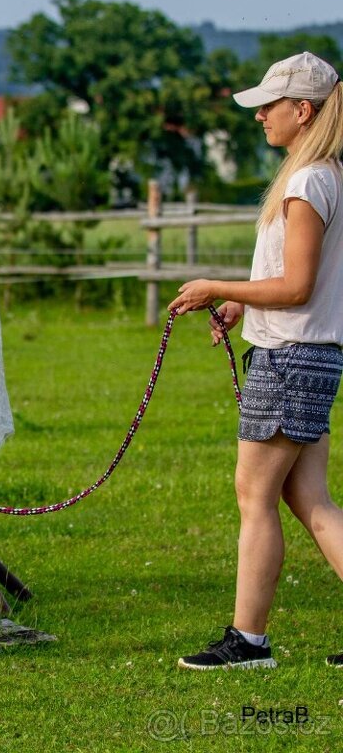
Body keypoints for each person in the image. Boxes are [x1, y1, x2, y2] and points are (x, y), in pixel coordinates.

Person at [168, 51, 343, 670]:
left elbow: (296, 287)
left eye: (269, 105)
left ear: (303, 110)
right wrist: (247, 308)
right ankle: (248, 639)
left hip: (290, 358)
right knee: (311, 502)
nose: (260, 116)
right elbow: (302, 283)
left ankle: (249, 642)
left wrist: (220, 289)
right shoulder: (323, 175)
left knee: (255, 497)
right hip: (307, 354)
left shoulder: (305, 182)